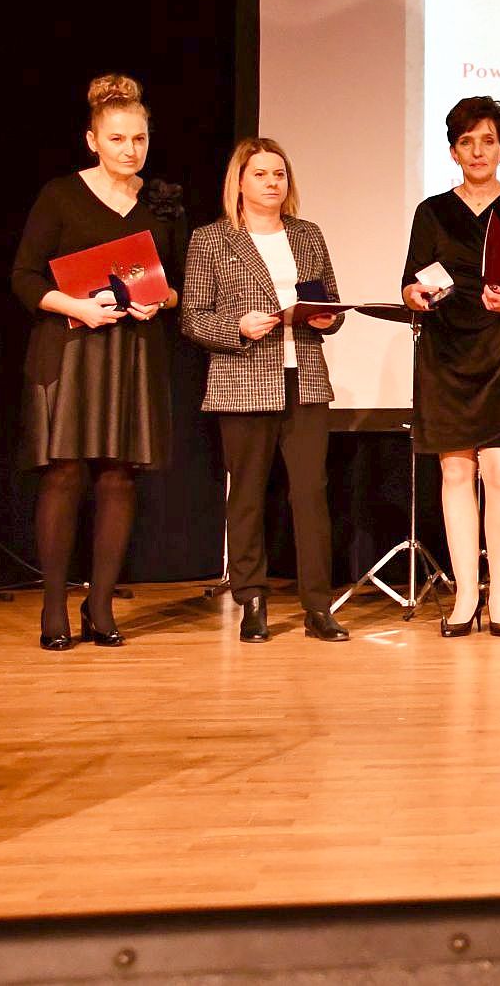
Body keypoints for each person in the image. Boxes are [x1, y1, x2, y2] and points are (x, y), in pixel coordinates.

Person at [10, 74, 184, 649]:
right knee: (64, 474)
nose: (130, 150)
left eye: (139, 139)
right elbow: (24, 276)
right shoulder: (60, 196)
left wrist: (159, 302)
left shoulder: (161, 202)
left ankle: (101, 606)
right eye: (117, 139)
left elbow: (177, 286)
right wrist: (77, 308)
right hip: (70, 346)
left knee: (118, 475)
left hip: (132, 351)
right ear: (92, 140)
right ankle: (53, 607)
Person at [181, 137, 350, 643]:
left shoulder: (307, 234)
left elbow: (331, 304)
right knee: (248, 496)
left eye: (279, 173)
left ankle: (317, 607)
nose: (272, 182)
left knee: (311, 494)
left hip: (305, 379)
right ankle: (251, 600)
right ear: (239, 181)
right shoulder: (212, 239)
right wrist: (236, 327)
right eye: (260, 173)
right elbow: (193, 317)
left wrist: (326, 317)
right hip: (244, 380)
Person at [401, 96, 500, 638]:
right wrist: (417, 296)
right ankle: (466, 593)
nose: (478, 151)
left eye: (488, 141)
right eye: (467, 142)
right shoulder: (432, 211)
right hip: (444, 351)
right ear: (453, 151)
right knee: (455, 472)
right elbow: (410, 282)